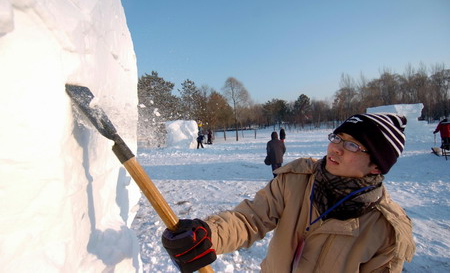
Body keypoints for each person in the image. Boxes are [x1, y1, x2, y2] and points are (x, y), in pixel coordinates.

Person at [161, 113, 416, 273]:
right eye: (337, 138)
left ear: (377, 165)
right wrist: (209, 234)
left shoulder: (387, 230)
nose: (335, 148)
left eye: (352, 145)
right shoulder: (296, 180)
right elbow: (250, 218)